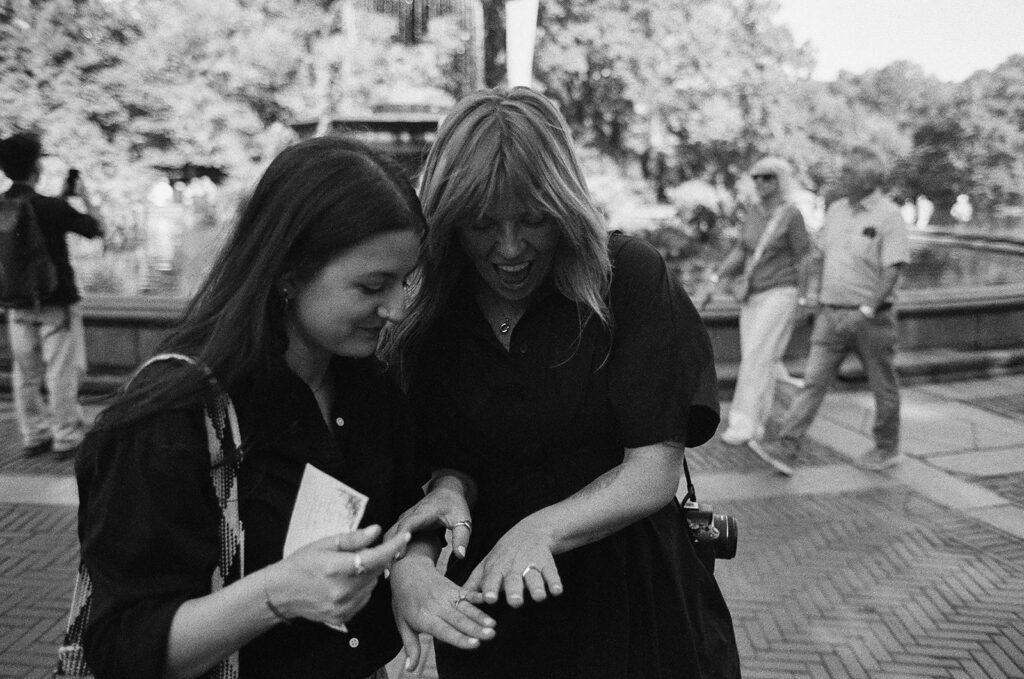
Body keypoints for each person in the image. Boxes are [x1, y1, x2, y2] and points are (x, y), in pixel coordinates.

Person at [75, 137, 495, 679]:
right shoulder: (172, 419)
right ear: (289, 274)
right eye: (372, 286)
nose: (394, 310)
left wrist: (415, 558)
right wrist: (277, 594)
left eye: (405, 281)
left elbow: (409, 507)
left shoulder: (372, 386)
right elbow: (120, 647)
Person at [385, 87, 735, 678]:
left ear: (566, 205)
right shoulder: (427, 314)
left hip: (630, 601)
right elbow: (437, 463)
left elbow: (654, 467)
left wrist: (541, 527)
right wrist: (419, 549)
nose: (511, 248)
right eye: (481, 224)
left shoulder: (628, 279)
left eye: (534, 218)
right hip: (492, 605)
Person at [755, 147, 911, 475]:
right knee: (812, 383)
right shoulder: (837, 209)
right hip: (829, 315)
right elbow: (819, 255)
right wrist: (810, 295)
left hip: (872, 319)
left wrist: (866, 310)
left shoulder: (889, 215)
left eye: (849, 172)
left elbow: (892, 270)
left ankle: (887, 448)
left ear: (869, 178)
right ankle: (787, 448)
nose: (842, 177)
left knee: (883, 386)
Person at [0, 133, 103, 460]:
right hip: (56, 302)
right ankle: (66, 436)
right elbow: (95, 228)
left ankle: (34, 434)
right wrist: (83, 197)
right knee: (60, 371)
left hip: (16, 303)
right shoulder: (51, 207)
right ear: (36, 168)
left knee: (25, 374)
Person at [699, 157, 811, 453]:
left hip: (781, 292)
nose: (760, 182)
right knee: (761, 357)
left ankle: (744, 423)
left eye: (767, 177)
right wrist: (715, 278)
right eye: (756, 177)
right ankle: (794, 406)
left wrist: (803, 299)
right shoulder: (753, 213)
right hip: (753, 295)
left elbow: (804, 259)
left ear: (780, 181)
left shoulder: (792, 215)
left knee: (756, 358)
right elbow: (741, 251)